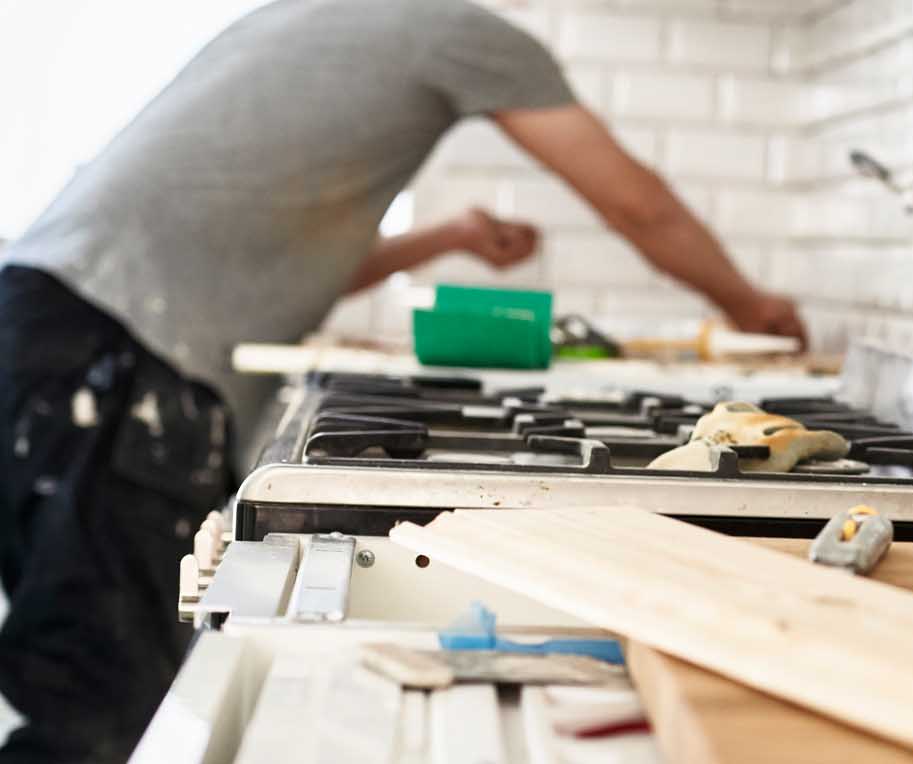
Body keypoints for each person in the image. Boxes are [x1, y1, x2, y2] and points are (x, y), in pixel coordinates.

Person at [0, 0, 804, 759]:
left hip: (35, 327)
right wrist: (751, 307)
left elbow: (284, 274)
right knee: (92, 716)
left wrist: (446, 239)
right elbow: (639, 207)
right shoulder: (458, 29)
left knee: (68, 689)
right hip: (113, 369)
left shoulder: (306, 16)